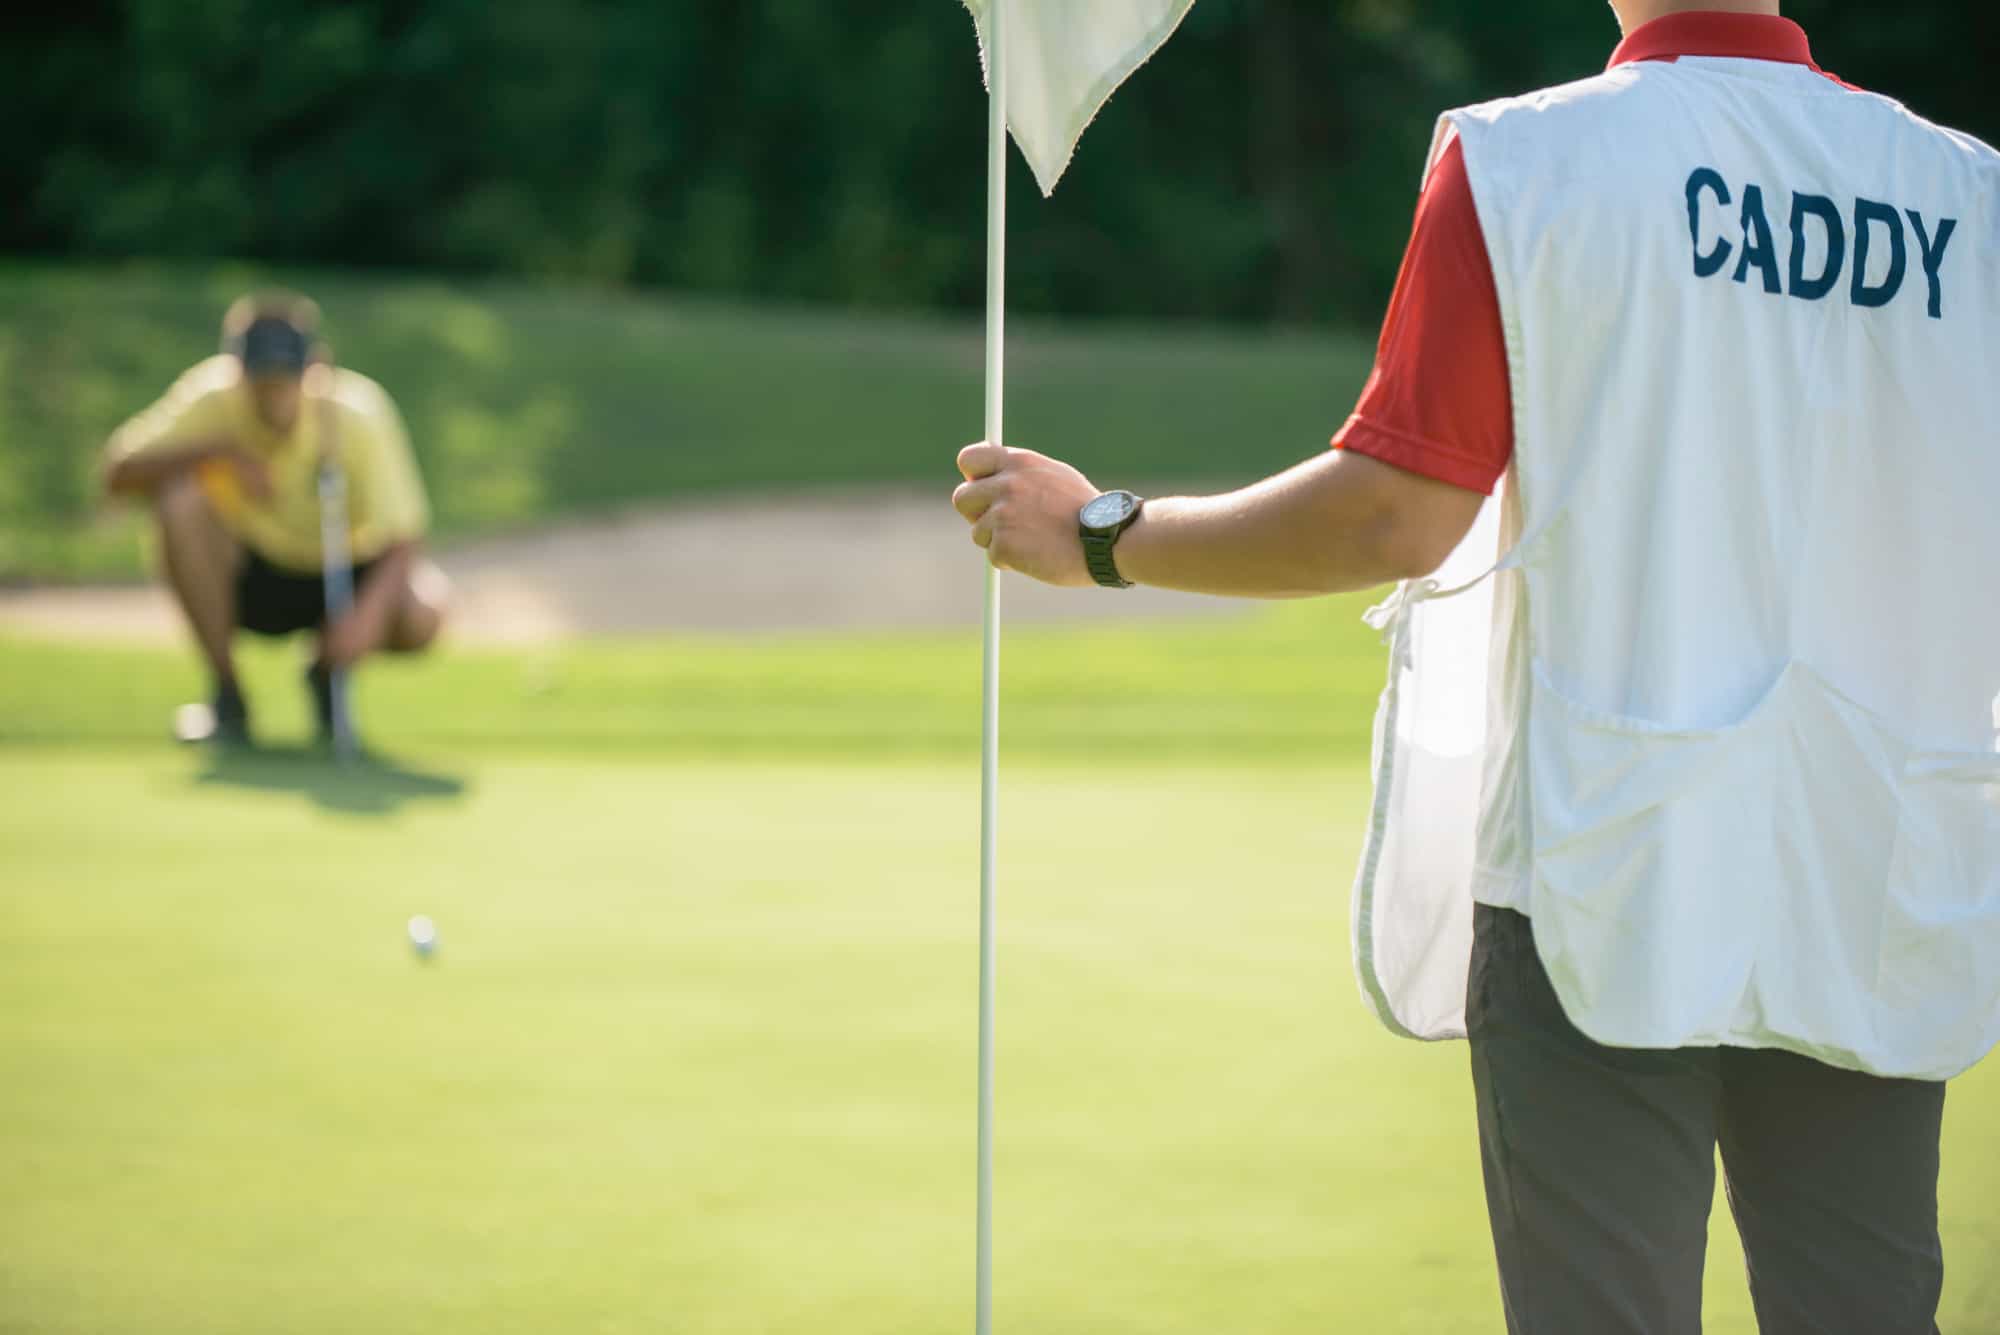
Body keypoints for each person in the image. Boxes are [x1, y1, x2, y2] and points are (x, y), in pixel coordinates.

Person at [950, 4, 1997, 1332]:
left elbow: (1396, 516)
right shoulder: (1969, 196)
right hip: (1878, 866)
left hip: (1604, 864)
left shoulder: (1528, 161)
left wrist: (1106, 538)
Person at [103, 292, 447, 748]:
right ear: (236, 370)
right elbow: (118, 474)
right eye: (260, 380)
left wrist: (366, 616)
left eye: (285, 380)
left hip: (339, 574)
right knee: (181, 501)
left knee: (423, 611)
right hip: (251, 573)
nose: (273, 396)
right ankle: (228, 697)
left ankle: (324, 675)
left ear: (315, 368)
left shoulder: (359, 414)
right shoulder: (211, 397)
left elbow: (403, 534)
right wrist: (217, 453)